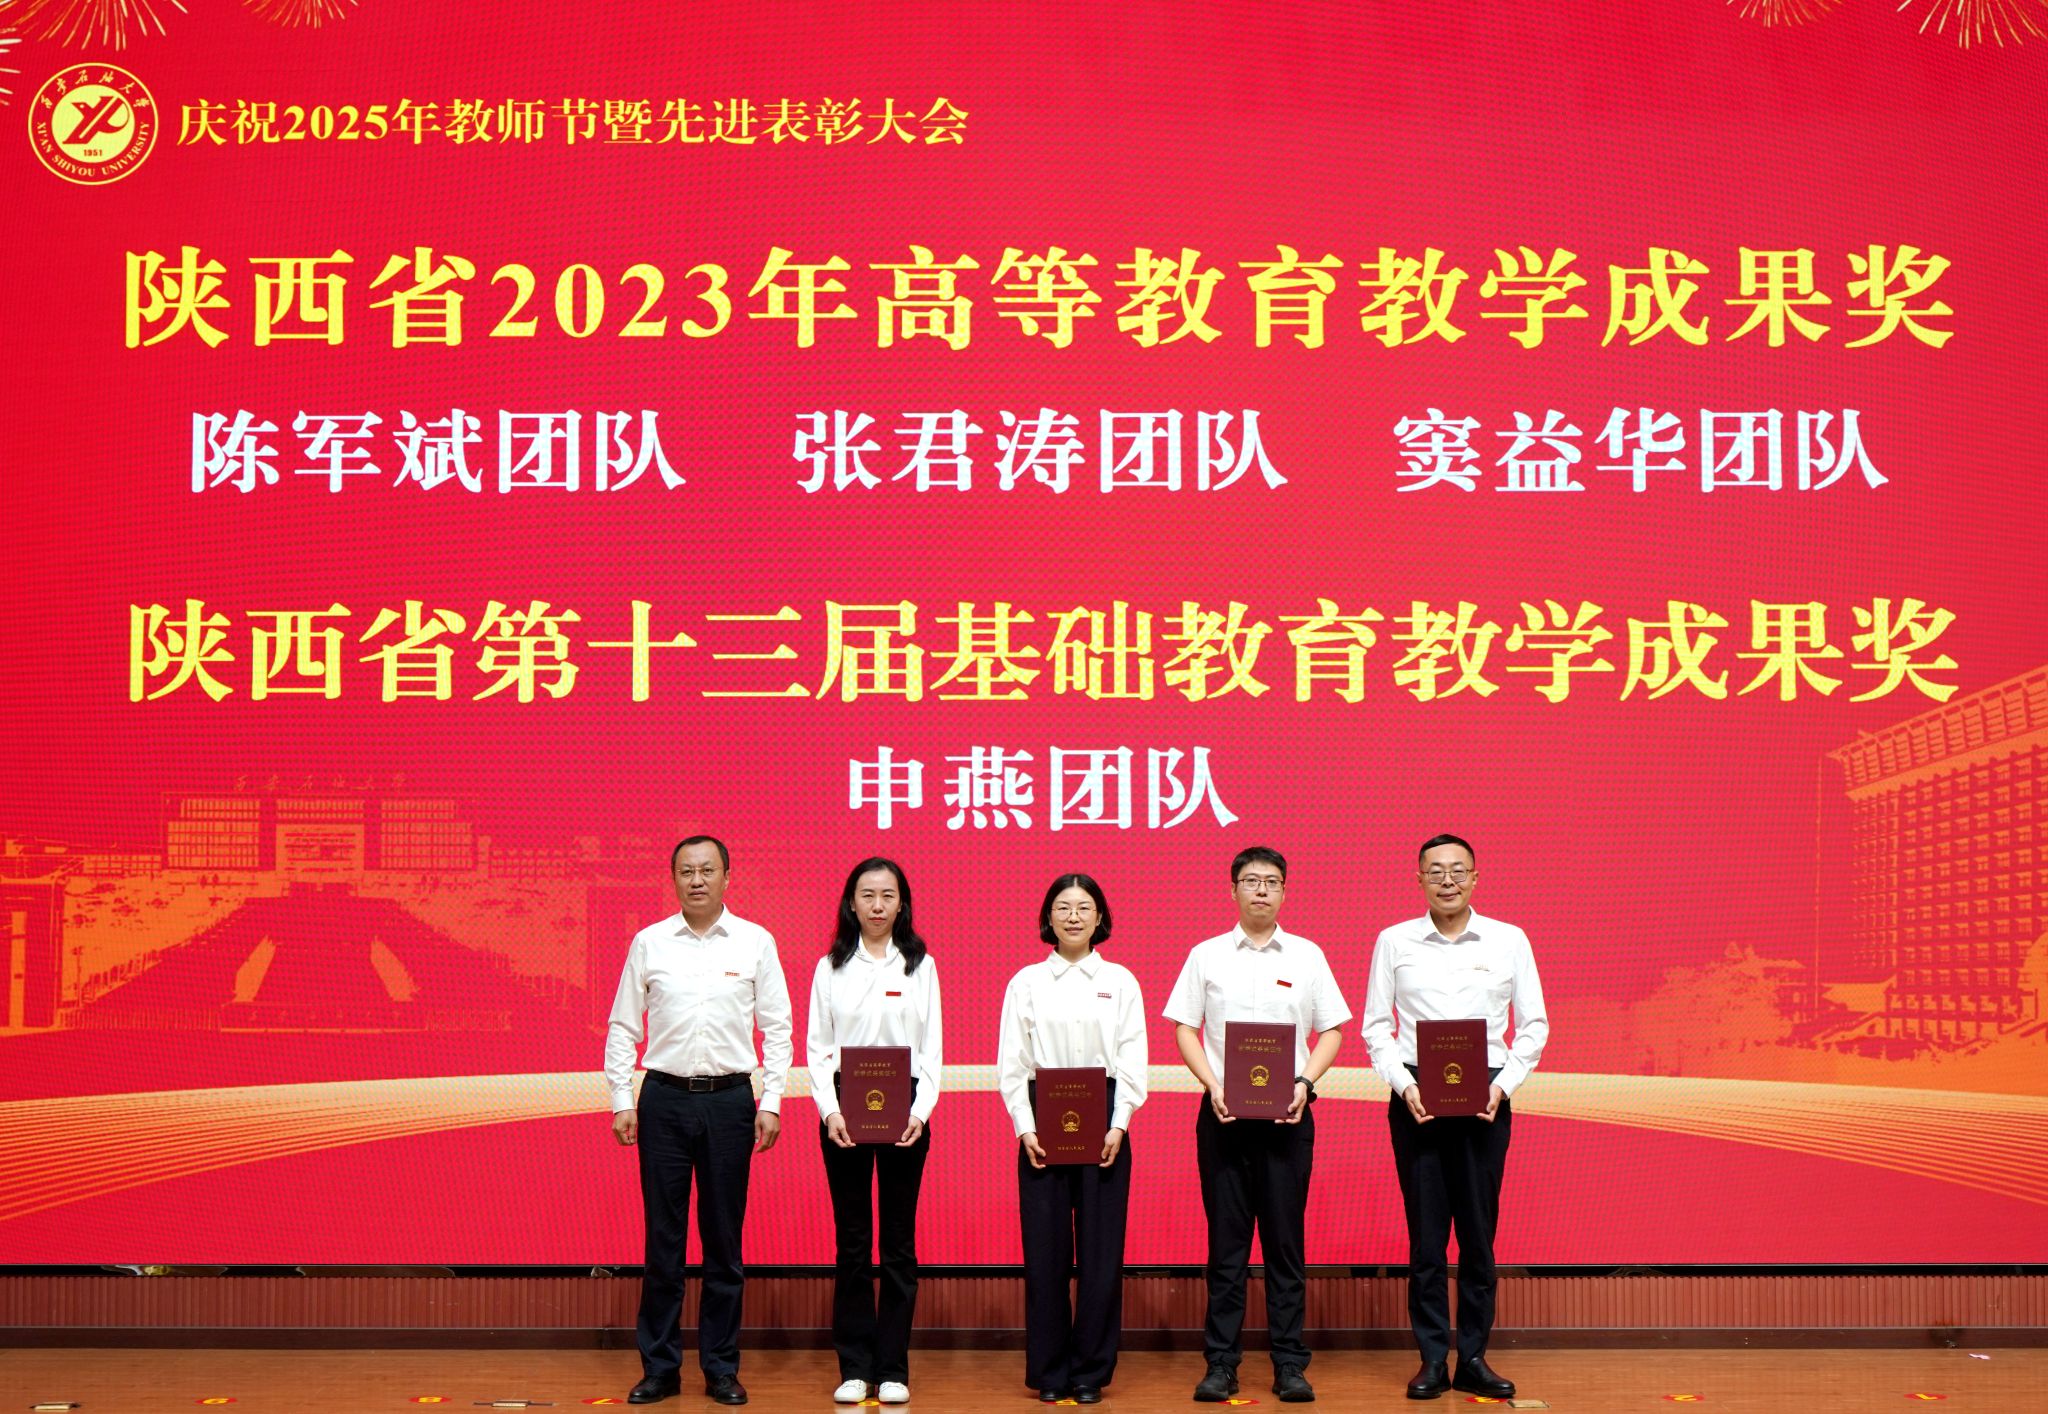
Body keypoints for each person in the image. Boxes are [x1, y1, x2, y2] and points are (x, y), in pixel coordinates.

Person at [1357, 834, 1549, 1402]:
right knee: (1426, 1238)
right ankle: (1431, 1359)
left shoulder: (1509, 939)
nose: (1448, 880)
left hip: (1486, 1096)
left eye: (1458, 870)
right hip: (1417, 1096)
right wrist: (1404, 1085)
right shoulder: (1394, 941)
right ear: (1418, 879)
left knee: (1478, 1236)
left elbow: (1533, 1025)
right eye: (1436, 871)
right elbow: (1376, 1027)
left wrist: (1503, 1086)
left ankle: (1474, 1357)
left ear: (1475, 877)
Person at [606, 836, 793, 1407]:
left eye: (707, 870)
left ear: (727, 877)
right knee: (663, 1243)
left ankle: (721, 1368)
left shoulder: (756, 941)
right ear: (673, 879)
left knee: (723, 1244)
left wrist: (771, 1101)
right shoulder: (650, 942)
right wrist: (621, 1098)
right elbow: (623, 1027)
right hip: (663, 1099)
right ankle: (660, 1368)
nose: (696, 880)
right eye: (686, 871)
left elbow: (778, 1028)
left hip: (730, 1102)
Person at [1164, 846, 1348, 1404]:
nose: (1261, 889)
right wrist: (1212, 1084)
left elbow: (1333, 1029)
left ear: (1285, 891)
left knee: (1285, 1247)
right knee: (1227, 1249)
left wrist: (1305, 1083)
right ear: (1233, 890)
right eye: (1250, 880)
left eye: (1271, 881)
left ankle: (1290, 1363)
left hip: (1289, 1117)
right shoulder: (1207, 955)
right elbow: (1184, 1026)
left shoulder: (1307, 956)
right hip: (1223, 1117)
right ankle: (1221, 1364)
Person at [995, 873, 1149, 1406]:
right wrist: (1025, 1126)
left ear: (1100, 917)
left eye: (1085, 907)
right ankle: (1049, 1371)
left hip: (1105, 1120)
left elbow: (1132, 1058)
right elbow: (1012, 1063)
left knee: (1102, 1256)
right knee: (1046, 1255)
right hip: (1043, 1121)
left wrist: (1119, 1122)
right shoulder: (1026, 982)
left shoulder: (1121, 981)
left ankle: (1090, 1372)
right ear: (1049, 917)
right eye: (1063, 907)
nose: (1074, 916)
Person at [806, 857, 943, 1406]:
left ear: (901, 903)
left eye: (888, 895)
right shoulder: (830, 967)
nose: (878, 905)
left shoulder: (920, 965)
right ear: (852, 903)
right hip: (844, 1111)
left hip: (906, 1110)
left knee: (899, 1245)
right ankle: (855, 1367)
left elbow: (931, 1049)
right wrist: (829, 1111)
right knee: (853, 1243)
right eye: (868, 895)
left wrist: (921, 1112)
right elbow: (818, 1048)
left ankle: (892, 1368)